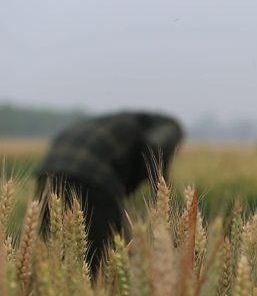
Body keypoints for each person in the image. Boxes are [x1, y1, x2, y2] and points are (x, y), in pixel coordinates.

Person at [35, 111, 183, 277]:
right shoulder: (171, 126)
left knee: (56, 255)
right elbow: (155, 145)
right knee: (102, 263)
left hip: (47, 174)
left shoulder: (108, 122)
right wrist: (161, 199)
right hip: (94, 176)